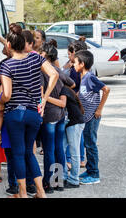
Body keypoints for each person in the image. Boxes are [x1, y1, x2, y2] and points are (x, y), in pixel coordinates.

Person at [0, 23, 59, 198]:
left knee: (17, 153)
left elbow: (7, 95)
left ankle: (23, 193)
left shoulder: (7, 65)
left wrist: (0, 102)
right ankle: (40, 192)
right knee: (29, 152)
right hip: (34, 113)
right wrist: (44, 98)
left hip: (14, 113)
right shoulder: (36, 58)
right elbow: (53, 74)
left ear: (9, 45)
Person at [38, 41, 73, 193]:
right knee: (59, 148)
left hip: (49, 114)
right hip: (61, 115)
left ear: (44, 55)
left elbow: (39, 94)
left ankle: (48, 183)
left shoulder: (41, 71)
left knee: (49, 150)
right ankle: (58, 181)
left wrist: (47, 97)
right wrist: (61, 93)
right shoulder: (58, 70)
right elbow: (71, 84)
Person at [74, 50, 110, 185]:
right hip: (86, 117)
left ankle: (94, 174)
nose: (73, 65)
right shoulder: (83, 78)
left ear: (82, 64)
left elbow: (106, 89)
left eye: (75, 62)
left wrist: (99, 109)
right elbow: (82, 94)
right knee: (88, 144)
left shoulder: (89, 77)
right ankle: (89, 170)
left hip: (92, 117)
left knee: (91, 145)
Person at [62, 38, 88, 168]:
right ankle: (81, 158)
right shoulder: (81, 67)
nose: (68, 56)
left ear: (74, 54)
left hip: (74, 103)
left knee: (72, 134)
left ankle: (70, 160)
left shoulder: (74, 70)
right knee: (78, 133)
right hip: (78, 103)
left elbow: (73, 85)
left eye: (69, 54)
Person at [61, 85, 85, 188]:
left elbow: (62, 104)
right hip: (70, 123)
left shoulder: (63, 90)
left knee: (74, 152)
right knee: (61, 148)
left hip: (75, 123)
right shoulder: (67, 89)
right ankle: (64, 176)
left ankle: (74, 179)